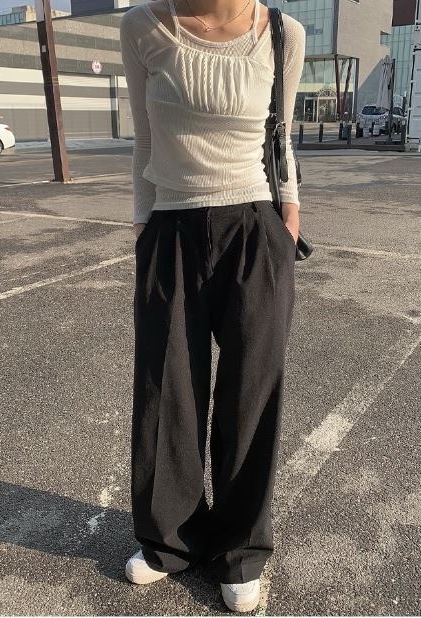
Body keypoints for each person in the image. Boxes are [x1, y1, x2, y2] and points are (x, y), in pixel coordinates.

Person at [119, 0, 305, 612]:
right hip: (171, 225)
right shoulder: (143, 26)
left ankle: (240, 551)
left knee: (251, 393)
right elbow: (145, 138)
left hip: (254, 226)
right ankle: (169, 542)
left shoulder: (283, 33)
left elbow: (282, 136)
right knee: (167, 389)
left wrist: (289, 220)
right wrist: (143, 226)